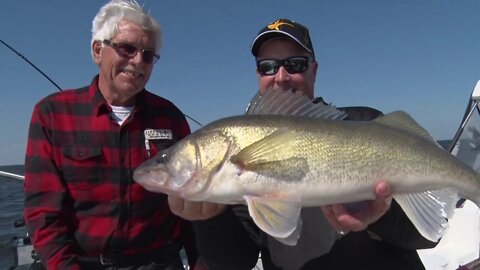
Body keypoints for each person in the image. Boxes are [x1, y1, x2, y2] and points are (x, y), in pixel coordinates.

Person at [168, 18, 438, 270]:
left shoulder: (366, 124)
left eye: (295, 64)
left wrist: (380, 215)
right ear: (258, 74)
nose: (281, 76)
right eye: (268, 67)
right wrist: (209, 220)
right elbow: (237, 261)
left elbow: (429, 235)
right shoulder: (238, 156)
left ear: (314, 69)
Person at [23, 1, 200, 269]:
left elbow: (189, 204)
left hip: (159, 261)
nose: (138, 61)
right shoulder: (52, 113)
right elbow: (43, 214)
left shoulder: (170, 117)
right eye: (127, 48)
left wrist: (201, 262)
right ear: (97, 50)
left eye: (148, 54)